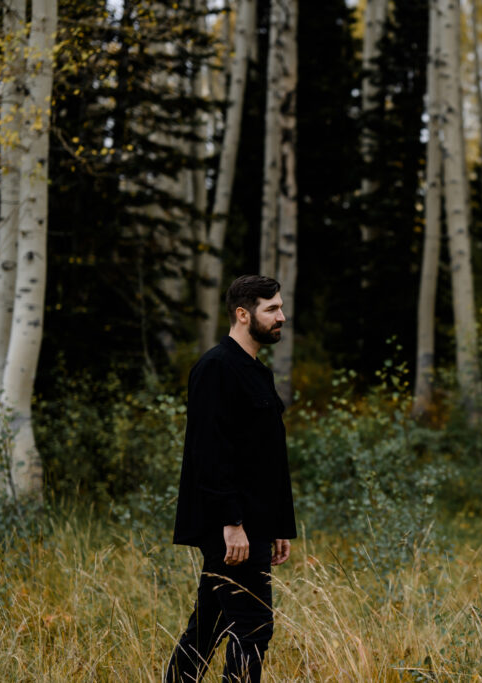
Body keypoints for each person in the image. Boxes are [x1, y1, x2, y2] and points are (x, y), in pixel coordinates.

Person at [167, 275, 297, 683]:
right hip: (231, 526)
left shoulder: (254, 370)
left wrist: (277, 524)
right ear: (243, 314)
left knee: (210, 626)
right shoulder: (215, 369)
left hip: (254, 522)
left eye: (280, 307)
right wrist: (232, 523)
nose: (282, 316)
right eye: (271, 309)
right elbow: (210, 453)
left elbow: (267, 458)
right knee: (255, 626)